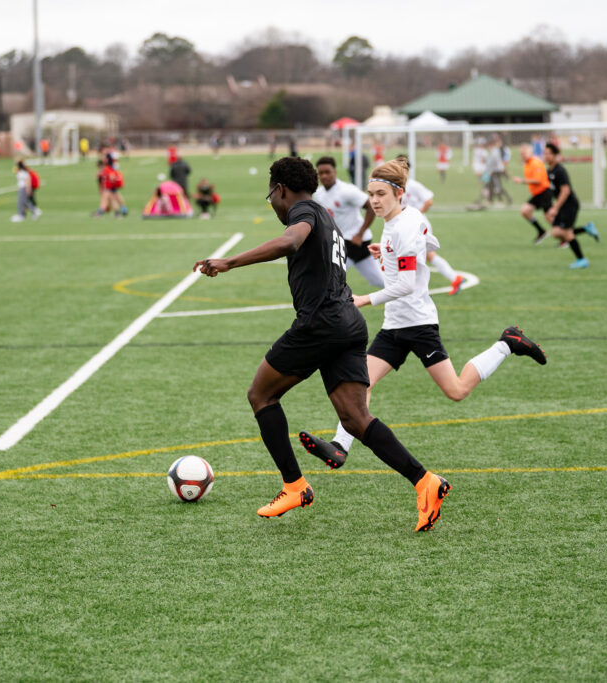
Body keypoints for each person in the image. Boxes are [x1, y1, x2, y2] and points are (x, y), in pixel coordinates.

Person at [193, 156, 452, 532]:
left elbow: (290, 240)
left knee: (261, 395)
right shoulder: (328, 216)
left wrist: (230, 262)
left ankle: (294, 486)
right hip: (349, 323)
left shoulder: (303, 211)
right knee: (355, 417)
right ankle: (425, 481)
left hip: (320, 324)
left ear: (280, 189)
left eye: (272, 197)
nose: (275, 206)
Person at [298, 157, 547, 486]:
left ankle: (507, 343)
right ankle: (340, 447)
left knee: (456, 391)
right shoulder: (403, 220)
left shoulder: (403, 225)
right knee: (362, 385)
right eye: (371, 194)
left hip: (418, 325)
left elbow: (406, 285)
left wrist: (365, 299)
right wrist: (385, 251)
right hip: (393, 327)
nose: (374, 200)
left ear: (399, 194)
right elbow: (430, 243)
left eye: (381, 194)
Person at [313, 156, 383, 288]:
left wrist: (360, 234)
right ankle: (406, 292)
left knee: (330, 278)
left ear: (335, 172)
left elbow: (371, 207)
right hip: (340, 241)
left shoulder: (347, 190)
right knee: (379, 281)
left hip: (354, 241)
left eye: (327, 172)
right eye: (320, 173)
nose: (324, 176)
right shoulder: (318, 194)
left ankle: (337, 307)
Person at [398, 157, 465, 295]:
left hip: (419, 225)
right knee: (427, 256)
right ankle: (455, 278)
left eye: (402, 168)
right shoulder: (395, 187)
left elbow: (429, 201)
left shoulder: (413, 185)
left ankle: (414, 289)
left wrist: (416, 214)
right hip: (407, 226)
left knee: (414, 255)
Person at [543, 142, 599, 269]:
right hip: (562, 205)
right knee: (556, 232)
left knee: (565, 233)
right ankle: (586, 229)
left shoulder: (560, 170)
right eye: (544, 153)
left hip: (569, 205)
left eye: (548, 154)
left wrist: (555, 208)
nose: (545, 156)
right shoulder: (549, 171)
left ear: (555, 155)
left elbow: (566, 190)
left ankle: (582, 260)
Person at [512, 143, 552, 244]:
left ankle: (566, 235)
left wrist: (522, 181)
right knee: (525, 211)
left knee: (549, 217)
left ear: (531, 153)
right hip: (537, 194)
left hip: (544, 192)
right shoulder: (527, 164)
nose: (523, 155)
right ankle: (541, 231)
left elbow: (538, 180)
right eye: (521, 153)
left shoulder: (535, 163)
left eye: (525, 153)